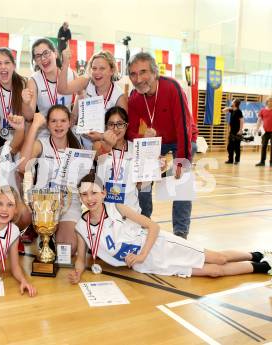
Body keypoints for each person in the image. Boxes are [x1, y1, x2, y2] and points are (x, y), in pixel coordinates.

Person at [68, 173, 272, 284]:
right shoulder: (81, 227)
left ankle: (257, 254)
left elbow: (153, 227)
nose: (90, 198)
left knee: (218, 258)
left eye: (93, 192)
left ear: (104, 193)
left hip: (158, 245)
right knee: (215, 271)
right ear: (80, 197)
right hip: (147, 264)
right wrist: (78, 274)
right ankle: (264, 267)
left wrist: (141, 255)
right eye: (84, 195)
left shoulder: (116, 207)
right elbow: (80, 260)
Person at [127, 52, 193, 239]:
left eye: (143, 72)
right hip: (156, 142)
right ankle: (144, 222)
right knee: (143, 180)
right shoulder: (134, 97)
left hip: (182, 138)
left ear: (155, 72)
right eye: (133, 74)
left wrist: (181, 161)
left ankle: (181, 233)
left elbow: (184, 128)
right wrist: (142, 135)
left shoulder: (172, 87)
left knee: (181, 181)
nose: (138, 79)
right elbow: (130, 132)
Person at [19, 105, 88, 254]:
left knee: (68, 249)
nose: (58, 125)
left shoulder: (78, 146)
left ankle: (60, 233)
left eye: (63, 120)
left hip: (68, 204)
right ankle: (46, 233)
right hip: (44, 203)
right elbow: (23, 166)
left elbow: (83, 181)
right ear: (48, 124)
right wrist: (34, 127)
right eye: (54, 121)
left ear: (70, 122)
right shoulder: (41, 144)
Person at [57, 48, 127, 148]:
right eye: (94, 68)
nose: (97, 72)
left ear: (112, 70)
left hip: (103, 145)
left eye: (102, 68)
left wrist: (101, 136)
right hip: (80, 140)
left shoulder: (119, 96)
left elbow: (121, 131)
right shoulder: (86, 81)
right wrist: (65, 64)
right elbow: (62, 89)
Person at [93, 107, 141, 219]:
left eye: (120, 124)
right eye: (111, 124)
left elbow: (139, 184)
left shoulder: (135, 148)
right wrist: (109, 144)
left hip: (130, 211)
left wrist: (154, 166)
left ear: (126, 125)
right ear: (106, 127)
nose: (115, 128)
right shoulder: (98, 145)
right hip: (104, 213)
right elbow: (97, 155)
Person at [22, 38, 75, 138]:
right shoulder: (34, 80)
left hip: (67, 131)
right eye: (38, 56)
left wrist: (74, 116)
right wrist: (25, 102)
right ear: (35, 61)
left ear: (55, 53)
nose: (43, 58)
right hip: (45, 133)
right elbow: (29, 116)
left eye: (46, 53)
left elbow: (82, 94)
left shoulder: (69, 73)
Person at [223, 99, 244, 165]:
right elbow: (223, 111)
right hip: (232, 132)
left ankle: (237, 160)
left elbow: (242, 120)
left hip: (237, 132)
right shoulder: (232, 110)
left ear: (235, 103)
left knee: (237, 147)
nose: (232, 102)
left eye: (233, 101)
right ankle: (230, 160)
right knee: (229, 147)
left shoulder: (239, 111)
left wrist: (240, 130)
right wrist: (230, 107)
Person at [255, 96, 272, 167]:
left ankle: (271, 162)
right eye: (269, 101)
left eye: (271, 101)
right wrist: (257, 128)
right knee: (264, 146)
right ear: (267, 102)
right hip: (265, 132)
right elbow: (259, 120)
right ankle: (262, 161)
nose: (270, 102)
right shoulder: (262, 110)